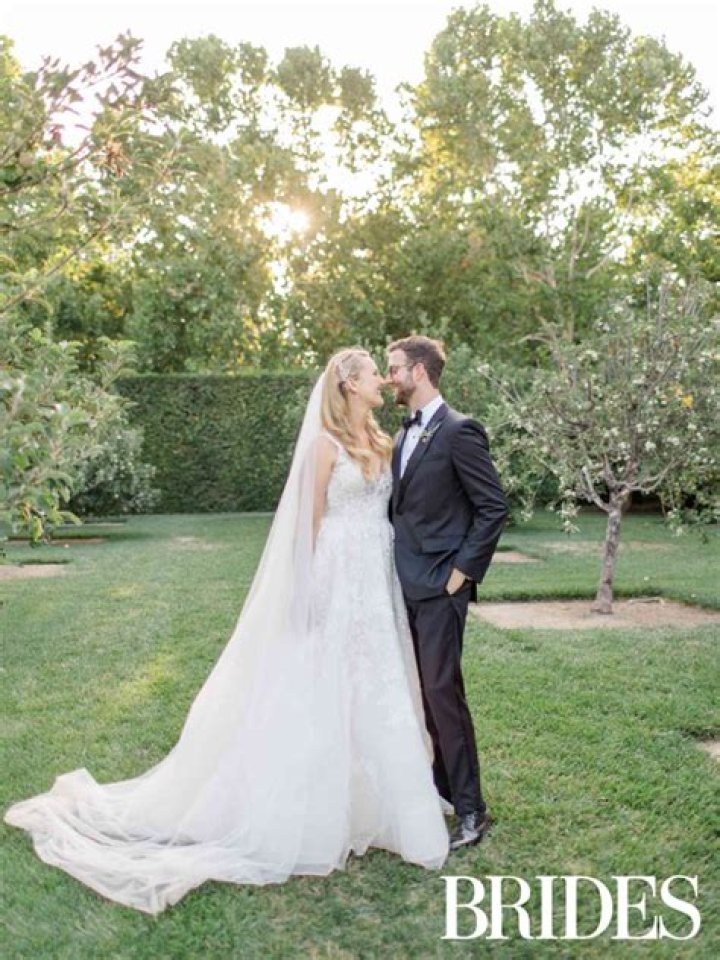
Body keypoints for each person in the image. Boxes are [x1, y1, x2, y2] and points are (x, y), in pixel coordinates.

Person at [4, 348, 449, 915]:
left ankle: (386, 811)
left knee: (378, 687)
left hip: (372, 581)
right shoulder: (323, 448)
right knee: (326, 689)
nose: (381, 382)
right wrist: (307, 595)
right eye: (370, 374)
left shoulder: (383, 442)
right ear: (348, 385)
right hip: (336, 581)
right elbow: (307, 528)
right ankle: (315, 813)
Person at [386, 336, 508, 851]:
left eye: (394, 368)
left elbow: (492, 507)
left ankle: (472, 809)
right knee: (422, 694)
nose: (389, 376)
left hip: (440, 587)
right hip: (402, 587)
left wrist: (461, 574)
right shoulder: (401, 435)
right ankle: (439, 790)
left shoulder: (460, 432)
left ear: (419, 371)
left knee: (443, 693)